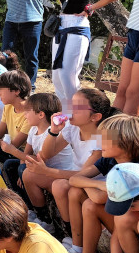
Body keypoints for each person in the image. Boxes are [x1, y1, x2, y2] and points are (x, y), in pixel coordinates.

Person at [64, 115, 139, 253]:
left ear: (125, 141)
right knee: (84, 198)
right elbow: (74, 180)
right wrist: (98, 185)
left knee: (91, 204)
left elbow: (99, 197)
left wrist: (93, 187)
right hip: (119, 221)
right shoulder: (109, 160)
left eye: (105, 139)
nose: (99, 143)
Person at [21, 88, 110, 235]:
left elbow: (83, 175)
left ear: (95, 117)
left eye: (78, 107)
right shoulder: (72, 128)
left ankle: (69, 233)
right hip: (74, 178)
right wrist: (54, 131)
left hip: (91, 184)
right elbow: (47, 153)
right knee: (28, 174)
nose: (70, 110)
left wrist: (46, 171)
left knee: (59, 186)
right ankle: (45, 220)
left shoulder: (102, 140)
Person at [48, 0, 120, 114]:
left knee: (67, 75)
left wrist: (91, 7)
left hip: (77, 29)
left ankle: (78, 116)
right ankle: (66, 117)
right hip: (62, 27)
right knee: (57, 76)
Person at [0, 93, 73, 226]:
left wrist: (12, 151)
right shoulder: (33, 130)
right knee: (12, 165)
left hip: (59, 173)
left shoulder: (52, 131)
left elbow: (39, 158)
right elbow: (27, 153)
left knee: (25, 170)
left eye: (28, 111)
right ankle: (30, 209)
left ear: (41, 115)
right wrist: (21, 171)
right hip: (43, 170)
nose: (25, 115)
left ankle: (45, 220)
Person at [0, 70, 32, 167]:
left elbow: (14, 145)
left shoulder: (30, 113)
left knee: (8, 164)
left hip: (23, 154)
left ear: (16, 91)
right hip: (10, 149)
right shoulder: (8, 107)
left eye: (1, 91)